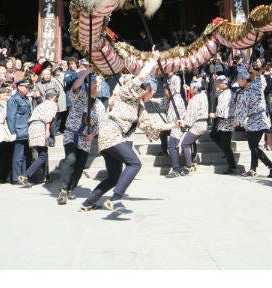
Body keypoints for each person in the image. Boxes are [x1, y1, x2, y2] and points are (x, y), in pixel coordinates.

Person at [79, 52, 179, 214]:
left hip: (111, 138)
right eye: (151, 93)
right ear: (146, 89)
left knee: (113, 177)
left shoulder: (139, 107)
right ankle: (115, 199)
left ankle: (88, 202)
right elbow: (140, 77)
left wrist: (174, 125)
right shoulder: (128, 93)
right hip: (111, 134)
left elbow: (152, 124)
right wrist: (153, 61)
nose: (151, 96)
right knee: (135, 163)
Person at [57, 71, 104, 204]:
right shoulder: (81, 94)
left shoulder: (100, 106)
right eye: (94, 82)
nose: (96, 85)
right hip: (71, 133)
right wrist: (85, 74)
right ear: (89, 85)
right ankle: (63, 190)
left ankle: (71, 188)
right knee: (71, 159)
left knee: (80, 166)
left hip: (85, 138)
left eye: (99, 84)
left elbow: (100, 124)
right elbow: (75, 88)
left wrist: (93, 134)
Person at [233, 65, 272, 178]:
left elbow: (241, 110)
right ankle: (253, 169)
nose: (238, 81)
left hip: (254, 121)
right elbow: (262, 78)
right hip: (263, 118)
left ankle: (271, 166)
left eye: (239, 79)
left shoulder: (243, 93)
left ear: (243, 79)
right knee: (254, 145)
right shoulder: (257, 85)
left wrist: (237, 121)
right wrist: (255, 72)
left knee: (253, 146)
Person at [18, 88, 59, 187]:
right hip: (40, 126)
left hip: (32, 126)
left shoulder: (41, 105)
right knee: (43, 155)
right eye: (56, 97)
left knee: (43, 152)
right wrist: (47, 130)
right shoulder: (52, 104)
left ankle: (46, 176)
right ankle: (25, 175)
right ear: (53, 97)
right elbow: (49, 118)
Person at [6, 78, 36, 185]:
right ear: (19, 87)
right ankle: (15, 177)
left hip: (26, 130)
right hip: (19, 130)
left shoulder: (26, 99)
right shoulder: (14, 99)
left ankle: (23, 176)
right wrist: (12, 132)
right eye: (26, 87)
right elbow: (11, 117)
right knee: (18, 156)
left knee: (25, 155)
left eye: (28, 87)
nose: (28, 89)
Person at [179, 79, 209, 174]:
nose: (190, 88)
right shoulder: (203, 96)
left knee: (184, 144)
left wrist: (185, 124)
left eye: (191, 87)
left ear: (196, 88)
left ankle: (189, 166)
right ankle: (194, 161)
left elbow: (191, 114)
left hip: (197, 124)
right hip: (203, 123)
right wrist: (189, 89)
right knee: (191, 141)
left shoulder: (194, 100)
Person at [209, 75, 237, 174]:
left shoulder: (227, 93)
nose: (217, 84)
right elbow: (215, 93)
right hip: (222, 122)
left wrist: (214, 114)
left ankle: (232, 166)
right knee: (214, 136)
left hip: (226, 122)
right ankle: (227, 153)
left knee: (226, 145)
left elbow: (224, 109)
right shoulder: (223, 92)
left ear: (224, 83)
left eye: (218, 82)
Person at [164, 78, 188, 177]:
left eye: (165, 91)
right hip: (176, 125)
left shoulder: (176, 99)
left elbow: (172, 116)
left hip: (177, 126)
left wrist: (167, 125)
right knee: (172, 146)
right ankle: (178, 168)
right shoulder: (174, 98)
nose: (165, 93)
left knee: (172, 146)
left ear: (171, 90)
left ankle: (176, 169)